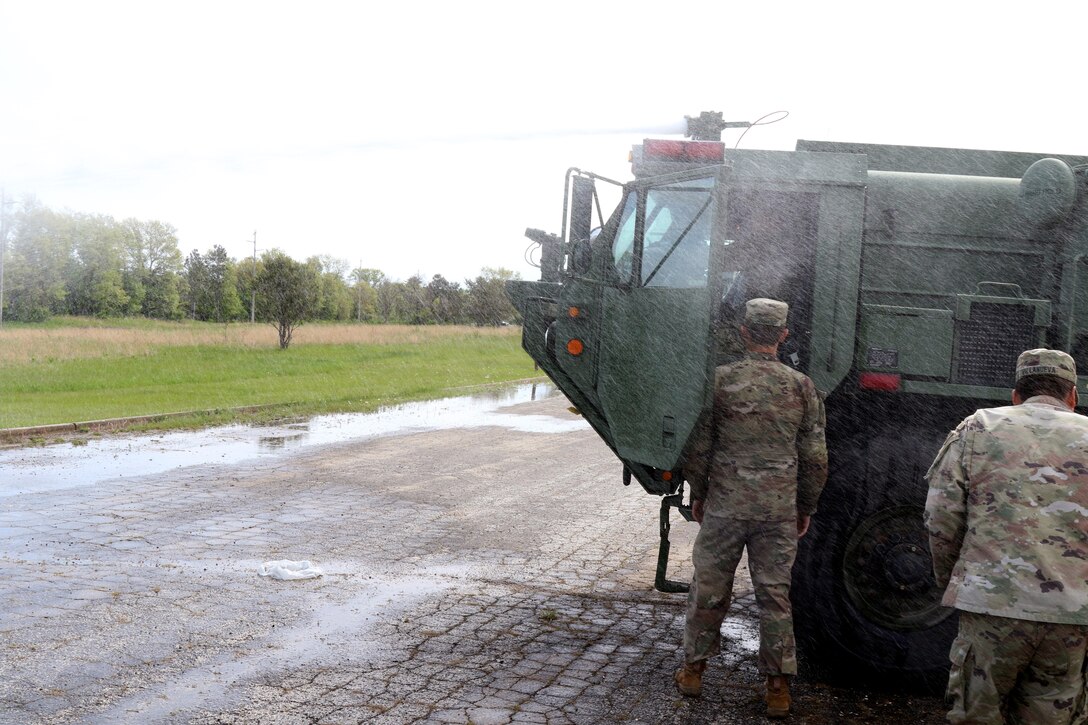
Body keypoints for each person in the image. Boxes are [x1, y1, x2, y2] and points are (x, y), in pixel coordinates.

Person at [675, 297, 828, 719]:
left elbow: (701, 446)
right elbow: (815, 455)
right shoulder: (802, 387)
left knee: (709, 588)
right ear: (783, 335)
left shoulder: (720, 381)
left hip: (726, 503)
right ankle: (777, 689)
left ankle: (693, 672)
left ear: (743, 332)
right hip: (777, 509)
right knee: (774, 594)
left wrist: (700, 493)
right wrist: (806, 505)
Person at [924, 348, 1088, 724]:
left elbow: (940, 517)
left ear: (1016, 394)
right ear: (1073, 396)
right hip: (1070, 615)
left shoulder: (977, 427)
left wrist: (954, 581)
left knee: (977, 715)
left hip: (990, 609)